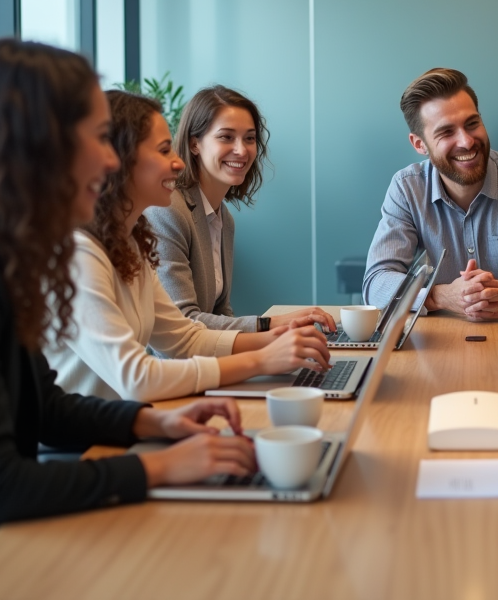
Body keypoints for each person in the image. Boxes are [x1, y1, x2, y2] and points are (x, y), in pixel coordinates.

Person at [0, 41, 256, 586]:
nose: (110, 159)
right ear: (33, 146)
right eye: (95, 137)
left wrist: (154, 422)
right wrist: (159, 465)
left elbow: (45, 407)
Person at [46, 91, 332, 403]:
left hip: (124, 422)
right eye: (163, 149)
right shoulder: (78, 255)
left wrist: (273, 339)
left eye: (249, 138)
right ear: (118, 160)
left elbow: (184, 337)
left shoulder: (132, 245)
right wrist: (262, 358)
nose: (178, 162)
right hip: (84, 443)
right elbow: (137, 378)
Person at [363, 68, 498, 320]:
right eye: (446, 132)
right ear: (419, 144)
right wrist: (440, 296)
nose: (466, 142)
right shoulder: (407, 188)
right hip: (437, 345)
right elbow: (376, 284)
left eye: (472, 124)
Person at [145, 85, 334, 335]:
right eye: (226, 137)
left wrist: (278, 344)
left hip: (209, 365)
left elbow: (221, 311)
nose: (242, 150)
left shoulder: (224, 219)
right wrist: (270, 326)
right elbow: (182, 323)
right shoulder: (168, 211)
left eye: (250, 138)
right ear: (194, 144)